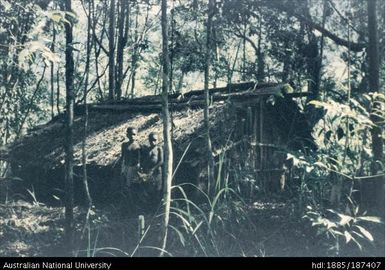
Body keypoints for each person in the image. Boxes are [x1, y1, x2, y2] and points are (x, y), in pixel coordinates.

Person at [140, 132, 163, 198]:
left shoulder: (159, 149)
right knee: (150, 188)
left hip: (157, 171)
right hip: (149, 172)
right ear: (149, 140)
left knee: (158, 188)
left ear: (158, 140)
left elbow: (161, 161)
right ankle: (151, 203)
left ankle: (158, 202)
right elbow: (145, 161)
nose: (153, 142)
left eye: (155, 140)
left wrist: (153, 169)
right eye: (151, 140)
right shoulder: (147, 150)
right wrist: (143, 168)